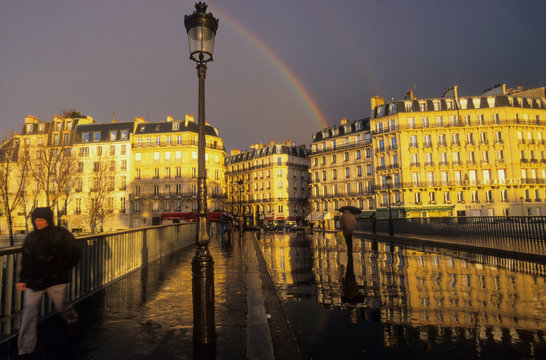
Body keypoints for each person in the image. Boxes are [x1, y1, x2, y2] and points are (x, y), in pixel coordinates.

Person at [16, 207, 81, 359]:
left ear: (48, 220)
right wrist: (22, 278)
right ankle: (25, 350)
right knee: (28, 314)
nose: (38, 223)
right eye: (36, 220)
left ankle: (72, 319)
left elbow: (74, 253)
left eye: (42, 220)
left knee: (62, 306)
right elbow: (26, 259)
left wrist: (61, 267)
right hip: (34, 281)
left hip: (55, 279)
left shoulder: (62, 234)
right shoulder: (31, 237)